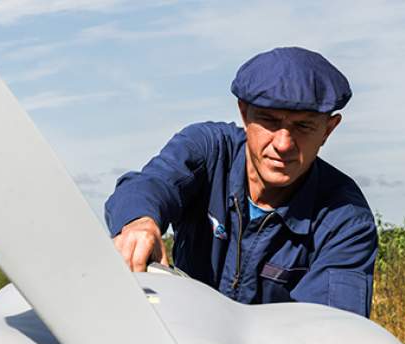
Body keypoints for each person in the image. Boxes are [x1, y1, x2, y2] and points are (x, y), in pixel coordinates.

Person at [105, 46, 378, 317]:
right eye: (270, 121)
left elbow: (329, 328)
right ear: (244, 114)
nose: (283, 144)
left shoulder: (346, 220)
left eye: (303, 126)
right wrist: (139, 222)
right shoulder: (209, 150)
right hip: (183, 339)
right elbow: (150, 184)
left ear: (328, 130)